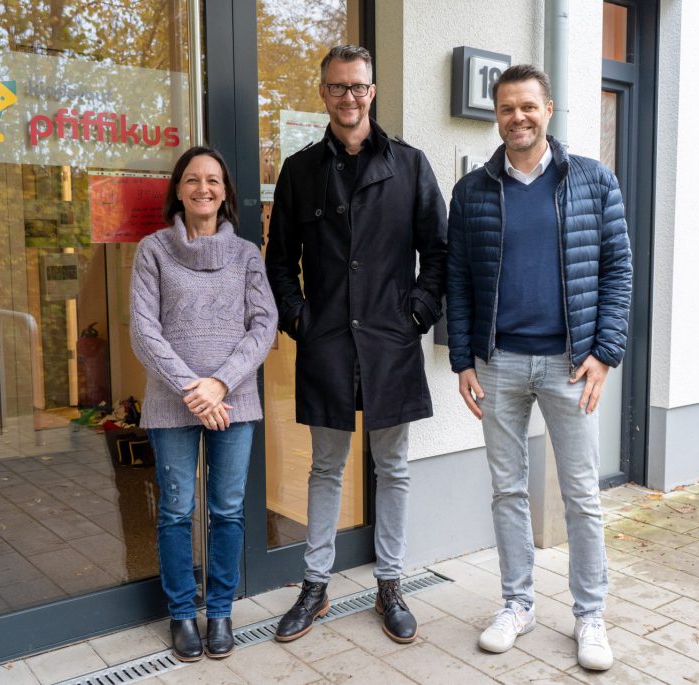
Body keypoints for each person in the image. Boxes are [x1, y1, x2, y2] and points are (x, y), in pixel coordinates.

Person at [446, 64, 632, 670]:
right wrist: (462, 360)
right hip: (498, 365)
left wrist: (604, 354)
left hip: (569, 365)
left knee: (581, 494)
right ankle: (517, 604)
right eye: (506, 108)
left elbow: (617, 271)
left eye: (528, 106)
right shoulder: (473, 190)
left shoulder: (592, 181)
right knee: (507, 491)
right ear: (495, 115)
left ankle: (589, 615)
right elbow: (459, 280)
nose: (517, 117)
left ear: (548, 109)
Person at [265, 45, 447, 645]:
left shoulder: (411, 165)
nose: (350, 98)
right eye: (338, 88)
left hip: (392, 343)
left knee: (392, 467)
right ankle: (314, 586)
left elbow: (440, 254)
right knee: (324, 467)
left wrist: (417, 313)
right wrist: (299, 319)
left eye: (359, 87)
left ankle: (390, 583)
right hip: (328, 343)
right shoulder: (299, 170)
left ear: (373, 92)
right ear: (323, 94)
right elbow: (278, 262)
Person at [130, 146, 277, 661]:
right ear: (178, 189)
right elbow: (144, 332)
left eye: (213, 180)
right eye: (192, 180)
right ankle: (180, 614)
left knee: (228, 510)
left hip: (232, 405)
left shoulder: (245, 255)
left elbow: (264, 327)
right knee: (175, 510)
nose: (203, 188)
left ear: (225, 192)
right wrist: (196, 390)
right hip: (173, 404)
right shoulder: (152, 251)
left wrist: (221, 384)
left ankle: (219, 612)